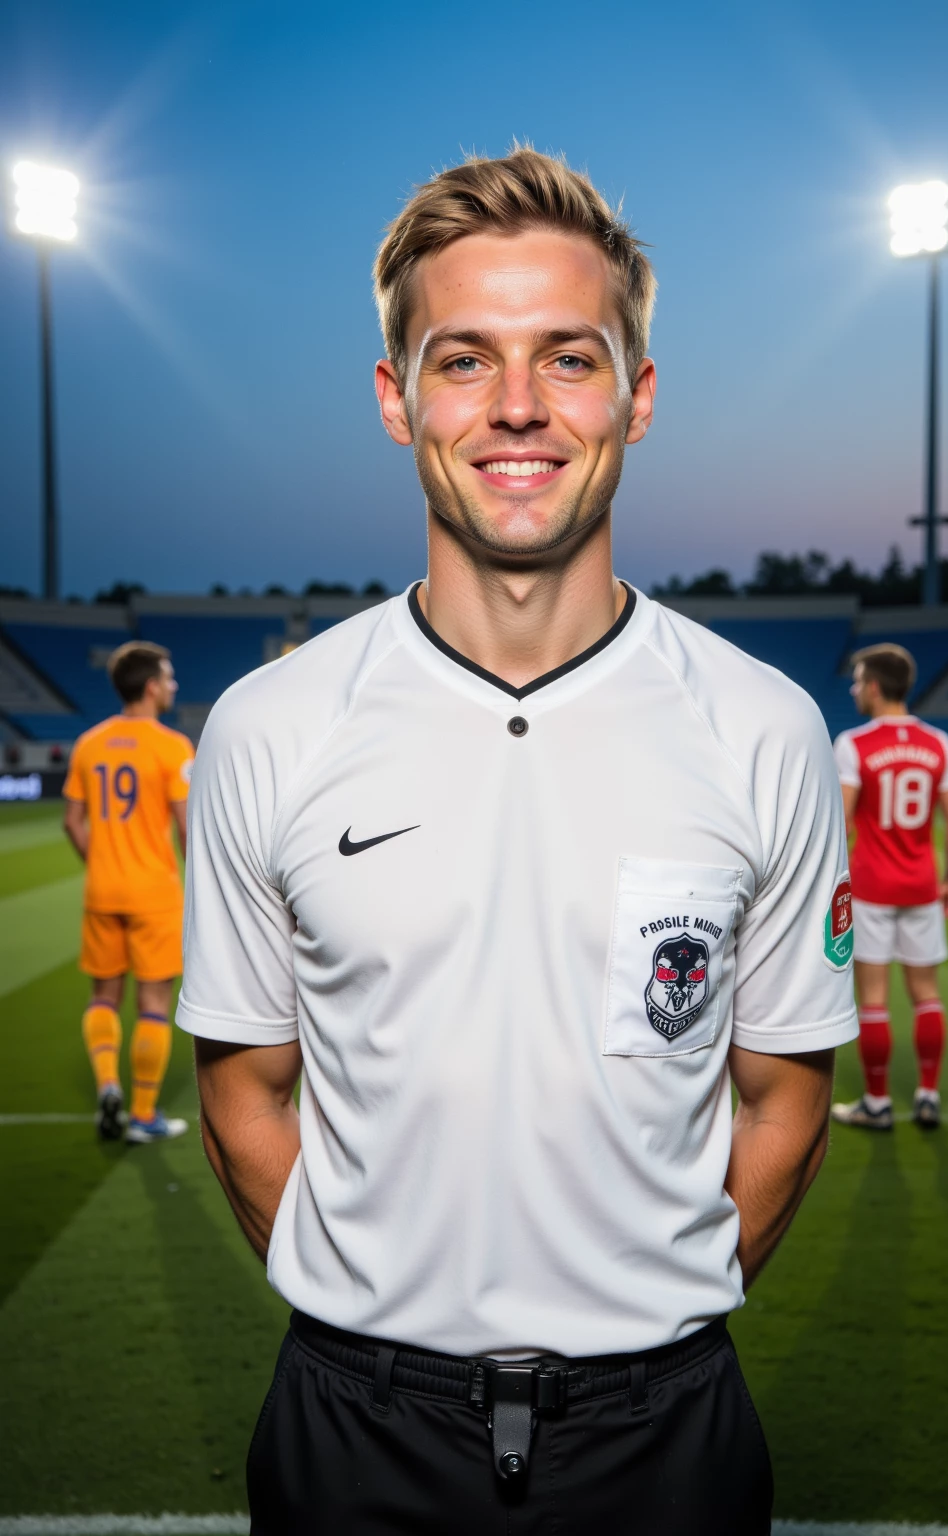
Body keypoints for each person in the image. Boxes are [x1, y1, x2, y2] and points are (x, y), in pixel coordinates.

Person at [177, 147, 858, 1535]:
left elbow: (786, 1101)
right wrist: (380, 1331)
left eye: (570, 357)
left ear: (639, 396)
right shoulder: (270, 726)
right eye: (464, 360)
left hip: (667, 1438)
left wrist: (646, 1319)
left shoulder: (764, 728)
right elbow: (244, 1088)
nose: (520, 409)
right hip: (348, 1435)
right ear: (396, 400)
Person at [831, 643, 948, 1132]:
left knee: (873, 998)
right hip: (921, 887)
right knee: (926, 994)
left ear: (872, 686)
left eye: (857, 681)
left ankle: (877, 1102)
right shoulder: (938, 743)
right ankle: (927, 1095)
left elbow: (841, 822)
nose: (853, 690)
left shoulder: (852, 743)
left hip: (870, 888)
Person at [64, 640, 193, 1144]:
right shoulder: (173, 747)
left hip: (103, 890)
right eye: (168, 676)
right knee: (154, 1004)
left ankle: (108, 1085)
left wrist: (98, 861)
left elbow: (72, 821)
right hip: (153, 894)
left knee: (103, 997)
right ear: (150, 686)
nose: (174, 684)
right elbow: (188, 829)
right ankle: (142, 1115)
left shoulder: (89, 743)